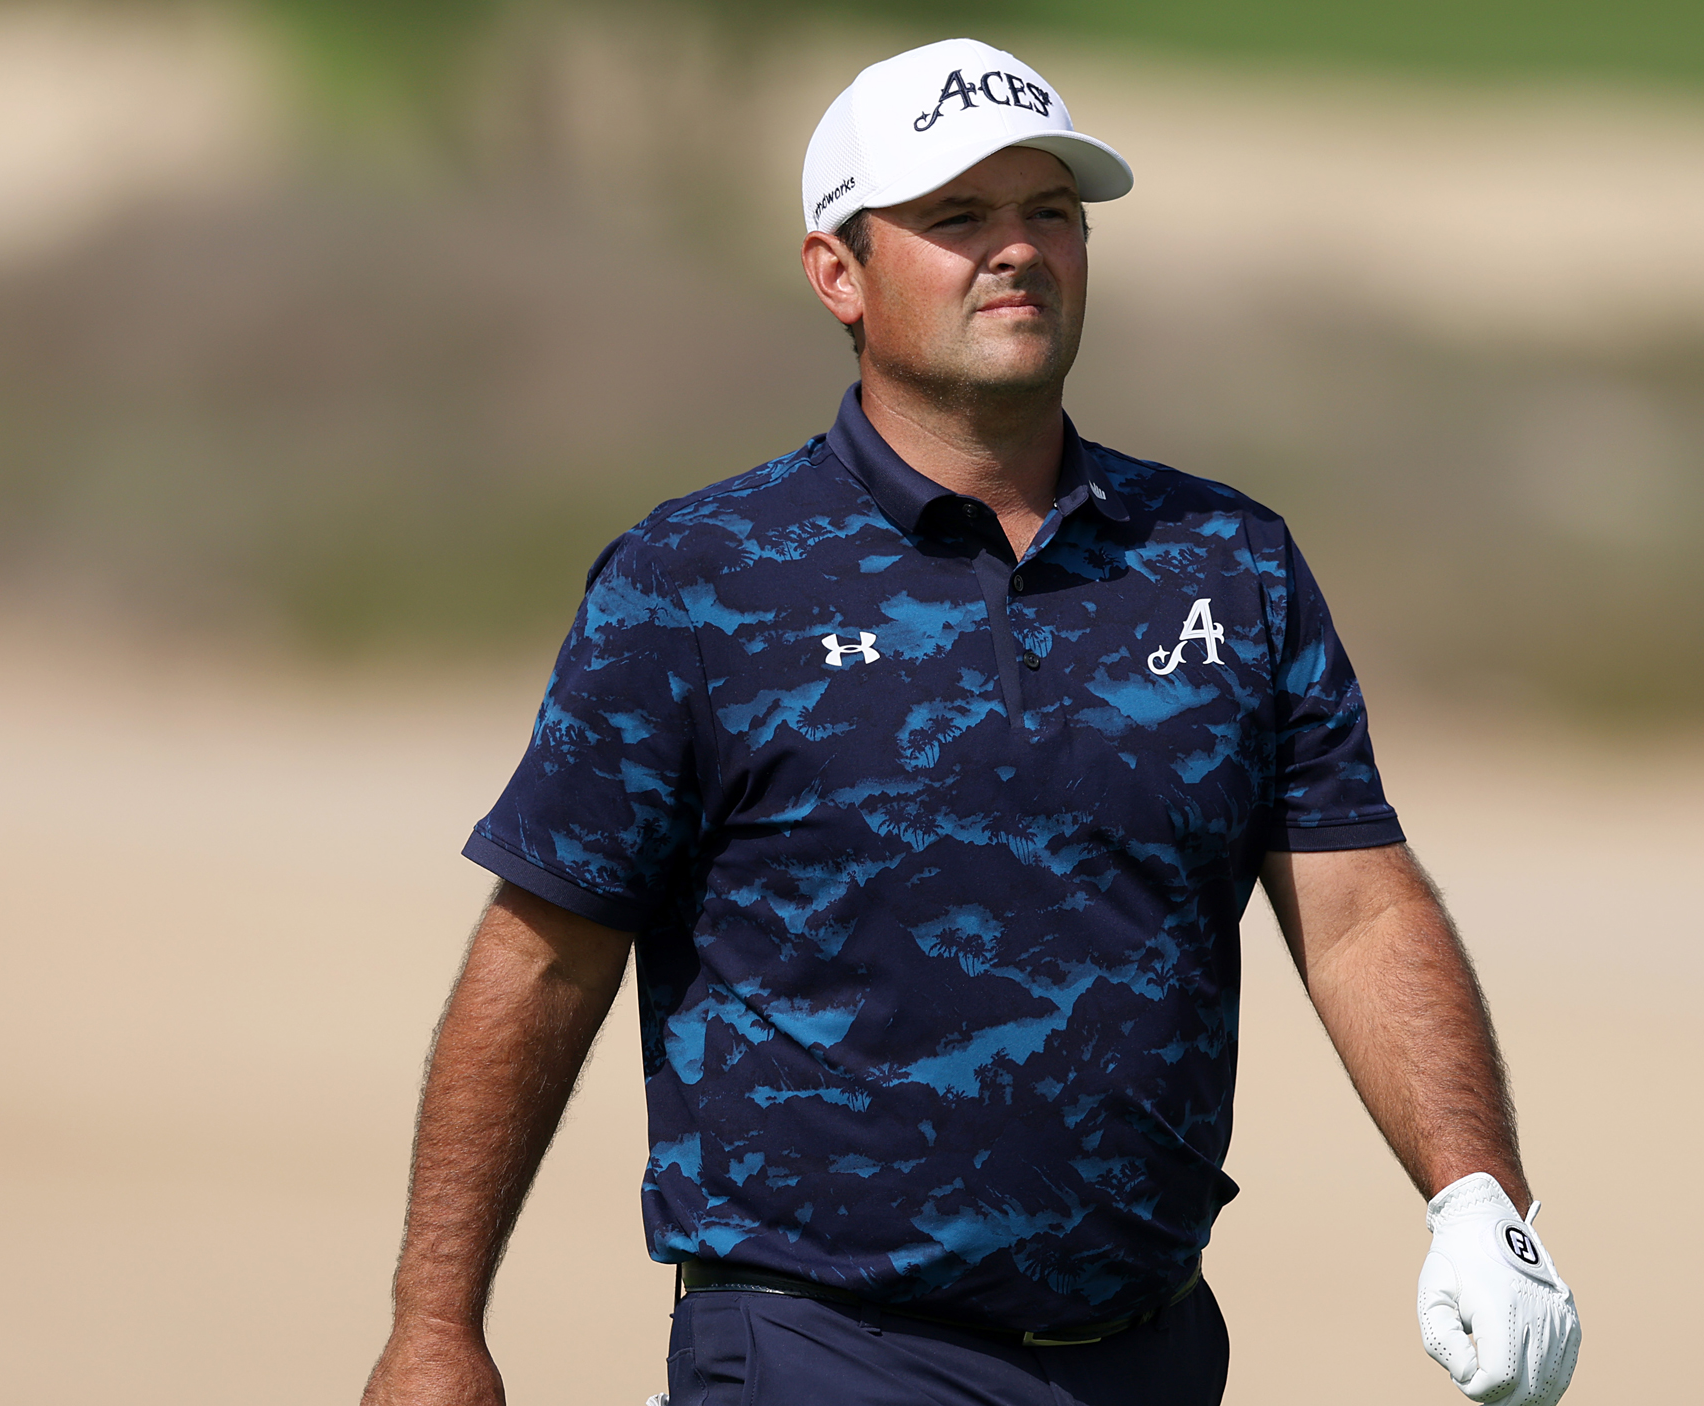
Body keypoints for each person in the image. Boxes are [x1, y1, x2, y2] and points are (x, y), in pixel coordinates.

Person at [360, 37, 1579, 1406]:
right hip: (819, 1348)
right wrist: (435, 1325)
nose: (1018, 251)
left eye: (1049, 212)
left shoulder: (1224, 561)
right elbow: (543, 959)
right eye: (957, 219)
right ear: (838, 271)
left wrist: (1480, 1197)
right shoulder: (698, 582)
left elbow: (1358, 908)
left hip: (1152, 1355)